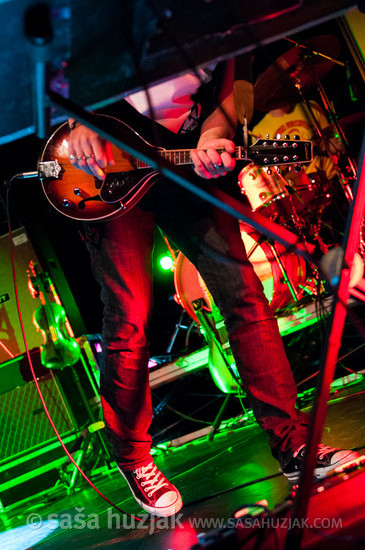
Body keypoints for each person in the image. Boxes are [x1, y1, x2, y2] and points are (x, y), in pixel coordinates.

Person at [67, 58, 358, 517]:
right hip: (112, 155)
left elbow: (223, 86)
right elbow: (65, 54)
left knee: (244, 295)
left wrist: (213, 132)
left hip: (186, 152)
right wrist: (76, 118)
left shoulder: (214, 16)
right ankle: (135, 459)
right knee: (128, 315)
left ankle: (294, 445)